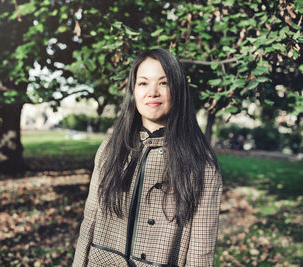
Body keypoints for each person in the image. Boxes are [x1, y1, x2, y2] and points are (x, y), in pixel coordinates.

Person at [73, 49, 222, 267]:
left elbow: (201, 251)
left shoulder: (202, 163)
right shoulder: (112, 146)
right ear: (133, 90)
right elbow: (90, 220)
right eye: (143, 83)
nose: (152, 92)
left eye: (163, 83)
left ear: (178, 90)